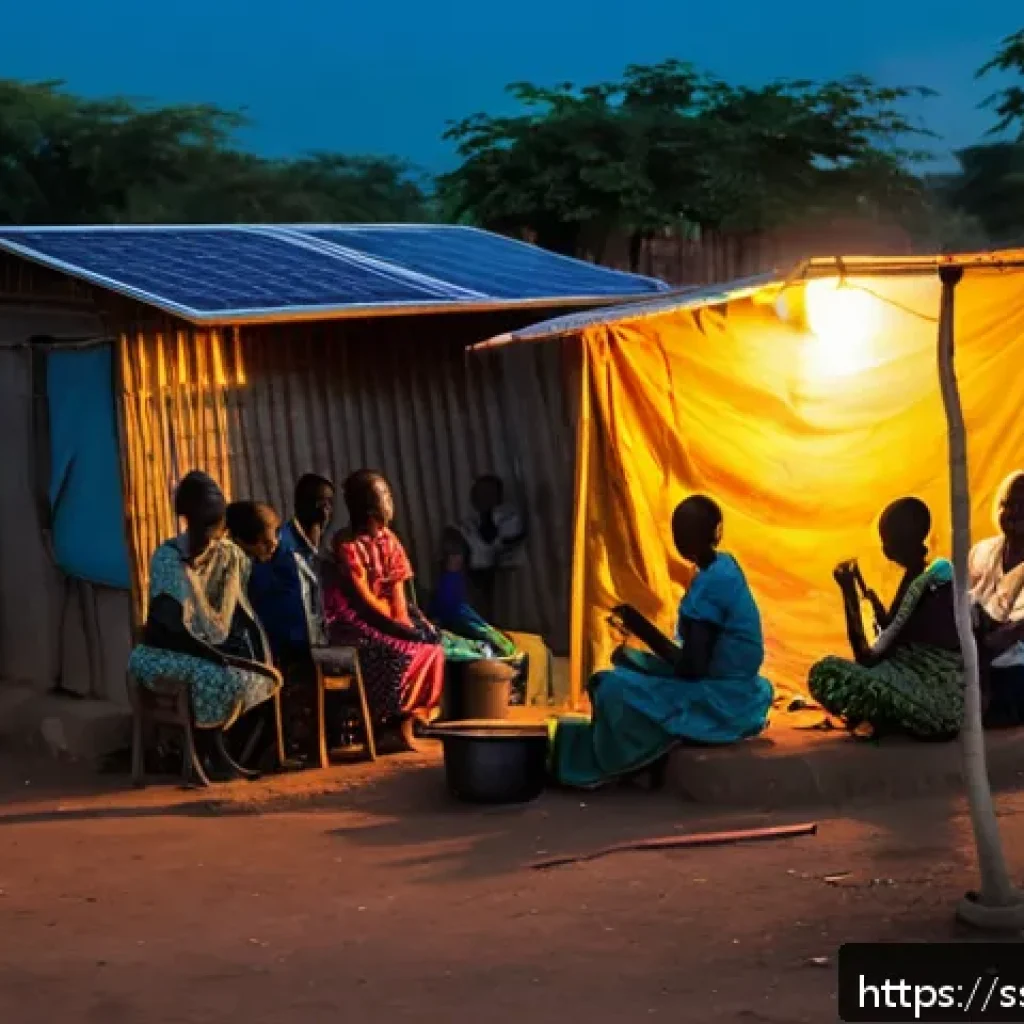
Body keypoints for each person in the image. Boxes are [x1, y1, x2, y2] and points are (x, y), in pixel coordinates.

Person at [548, 495, 773, 789]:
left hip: (721, 702)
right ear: (718, 532)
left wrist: (640, 627)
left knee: (609, 686)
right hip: (744, 693)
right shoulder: (724, 567)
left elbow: (692, 669)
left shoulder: (712, 585)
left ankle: (619, 760)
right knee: (632, 666)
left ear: (680, 540)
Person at [128, 472, 282, 780]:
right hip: (163, 653)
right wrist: (216, 655)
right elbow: (173, 630)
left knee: (258, 673)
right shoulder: (168, 558)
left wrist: (242, 653)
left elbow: (237, 610)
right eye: (204, 525)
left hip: (205, 650)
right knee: (218, 676)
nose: (211, 534)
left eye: (215, 525)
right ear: (188, 521)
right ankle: (205, 754)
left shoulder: (225, 555)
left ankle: (218, 751)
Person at [808, 497, 962, 740]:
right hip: (939, 698)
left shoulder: (925, 584)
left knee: (824, 673)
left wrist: (849, 594)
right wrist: (879, 610)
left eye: (890, 541)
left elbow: (867, 657)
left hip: (935, 709)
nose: (885, 549)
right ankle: (890, 717)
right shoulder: (927, 577)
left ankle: (891, 718)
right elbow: (897, 630)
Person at [322, 470, 445, 746]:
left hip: (388, 617)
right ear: (366, 504)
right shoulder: (346, 544)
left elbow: (397, 590)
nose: (389, 501)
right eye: (383, 495)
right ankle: (387, 722)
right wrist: (396, 629)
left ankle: (411, 718)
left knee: (433, 647)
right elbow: (363, 600)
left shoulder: (389, 539)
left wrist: (404, 623)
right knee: (399, 652)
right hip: (355, 622)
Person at [429, 527, 526, 703]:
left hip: (465, 624)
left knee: (500, 642)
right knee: (495, 645)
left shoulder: (461, 579)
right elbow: (449, 613)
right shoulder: (446, 583)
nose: (456, 559)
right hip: (453, 627)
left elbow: (470, 616)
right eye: (452, 555)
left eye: (458, 555)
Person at [970, 471, 1024, 727]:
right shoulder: (982, 551)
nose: (1014, 513)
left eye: (1023, 505)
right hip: (981, 646)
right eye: (1008, 504)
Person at [458, 475, 525, 618]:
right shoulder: (469, 520)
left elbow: (494, 542)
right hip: (472, 577)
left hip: (503, 577)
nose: (482, 498)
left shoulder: (508, 516)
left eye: (488, 493)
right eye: (478, 493)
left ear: (499, 495)